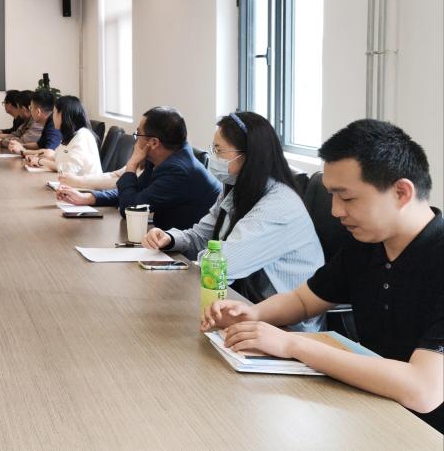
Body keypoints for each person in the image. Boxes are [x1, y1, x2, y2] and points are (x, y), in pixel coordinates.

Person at [202, 120, 443, 432]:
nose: (335, 211)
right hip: (373, 406)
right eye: (332, 196)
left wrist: (293, 345)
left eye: (347, 198)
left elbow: (423, 390)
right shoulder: (367, 244)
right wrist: (253, 315)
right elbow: (304, 300)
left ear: (401, 193)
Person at [140, 112, 323, 329]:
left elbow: (222, 265)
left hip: (285, 327)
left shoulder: (278, 205)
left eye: (219, 150)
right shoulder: (237, 190)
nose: (214, 157)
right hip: (244, 307)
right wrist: (170, 238)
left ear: (248, 156)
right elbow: (202, 237)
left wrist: (198, 260)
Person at [57, 107, 220, 229]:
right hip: (165, 238)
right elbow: (136, 193)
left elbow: (131, 209)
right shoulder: (163, 158)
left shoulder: (178, 171)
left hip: (188, 254)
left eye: (138, 134)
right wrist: (90, 198)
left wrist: (131, 166)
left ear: (154, 142)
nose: (135, 140)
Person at [25, 96, 102, 177]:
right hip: (69, 182)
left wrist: (40, 161)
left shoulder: (83, 136)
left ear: (61, 114)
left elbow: (68, 168)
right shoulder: (70, 135)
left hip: (84, 185)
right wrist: (36, 158)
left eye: (54, 112)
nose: (52, 116)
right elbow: (57, 157)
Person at [7, 90, 61, 155]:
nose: (30, 110)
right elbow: (39, 145)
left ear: (38, 112)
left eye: (31, 107)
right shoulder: (48, 121)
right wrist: (21, 145)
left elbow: (49, 152)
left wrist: (23, 151)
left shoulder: (53, 125)